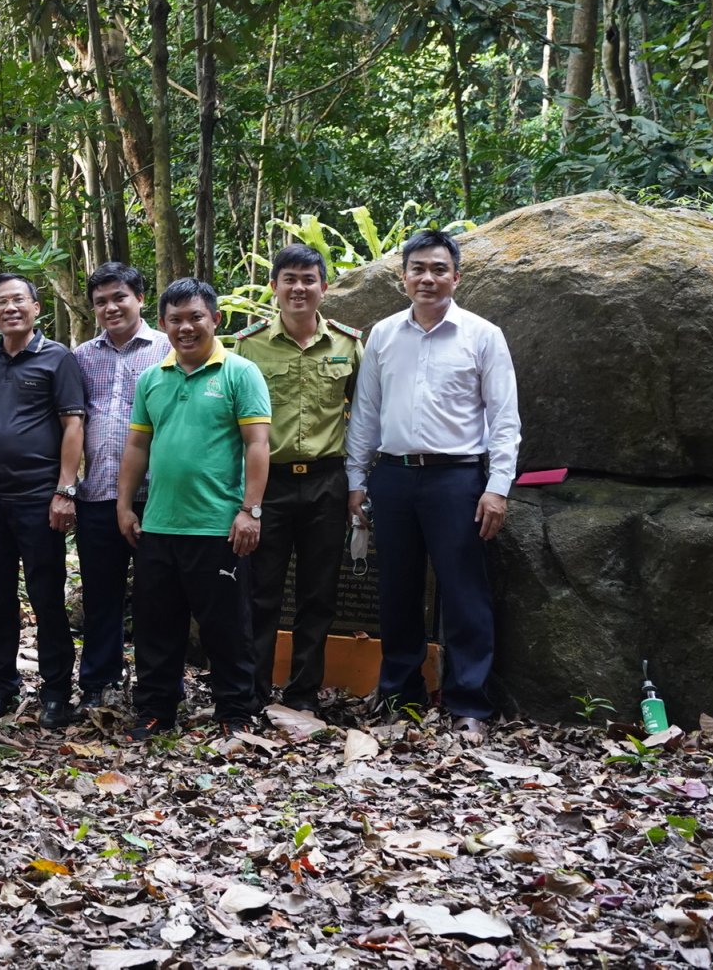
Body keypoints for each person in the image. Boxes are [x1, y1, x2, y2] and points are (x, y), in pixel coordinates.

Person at [345, 229, 520, 741]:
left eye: (438, 269)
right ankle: (401, 694)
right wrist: (358, 480)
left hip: (457, 477)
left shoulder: (482, 335)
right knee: (396, 589)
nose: (428, 278)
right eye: (418, 268)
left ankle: (470, 703)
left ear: (456, 276)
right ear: (403, 278)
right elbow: (367, 413)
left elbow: (504, 418)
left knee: (465, 592)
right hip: (393, 477)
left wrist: (498, 487)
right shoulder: (382, 335)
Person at [117, 278, 271, 739]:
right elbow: (138, 446)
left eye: (195, 317)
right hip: (160, 525)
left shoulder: (240, 373)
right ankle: (156, 710)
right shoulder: (152, 378)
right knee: (156, 626)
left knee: (226, 628)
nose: (186, 327)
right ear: (162, 323)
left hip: (217, 527)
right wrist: (125, 505)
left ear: (215, 320)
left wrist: (251, 511)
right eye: (176, 319)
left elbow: (258, 445)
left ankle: (235, 712)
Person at [233, 244, 364, 714]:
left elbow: (365, 416)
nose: (299, 288)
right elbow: (237, 425)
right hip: (271, 482)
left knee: (319, 592)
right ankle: (253, 692)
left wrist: (357, 483)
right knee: (262, 590)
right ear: (274, 287)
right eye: (289, 279)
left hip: (327, 483)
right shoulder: (248, 345)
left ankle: (304, 694)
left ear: (324, 287)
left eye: (309, 279)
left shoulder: (349, 344)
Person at [0, 272, 87, 725]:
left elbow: (73, 425)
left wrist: (64, 490)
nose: (9, 308)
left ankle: (56, 693)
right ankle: (0, 688)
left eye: (18, 301)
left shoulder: (58, 359)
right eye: (0, 302)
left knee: (46, 595)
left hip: (39, 497)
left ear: (36, 308)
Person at [71, 262, 166, 711]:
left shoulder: (168, 349)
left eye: (119, 298)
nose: (111, 308)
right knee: (100, 594)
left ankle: (155, 685)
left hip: (157, 497)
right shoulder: (82, 356)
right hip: (98, 494)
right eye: (101, 302)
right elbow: (73, 423)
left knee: (156, 596)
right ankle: (98, 683)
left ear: (140, 299)